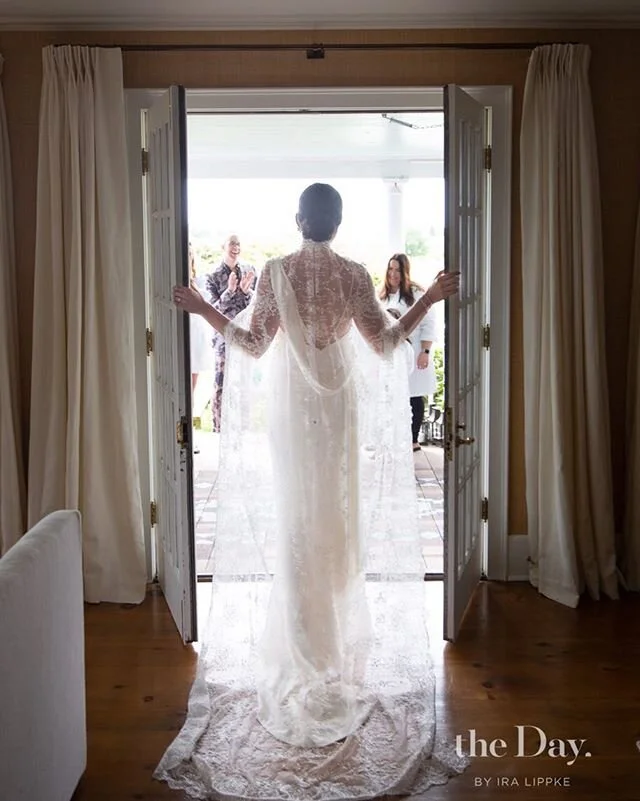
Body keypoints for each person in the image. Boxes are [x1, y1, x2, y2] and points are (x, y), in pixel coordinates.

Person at [155, 184, 463, 799]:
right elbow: (386, 343)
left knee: (298, 519)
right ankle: (333, 648)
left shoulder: (276, 272)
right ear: (338, 223)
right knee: (334, 521)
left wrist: (201, 309)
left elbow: (251, 344)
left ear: (298, 220)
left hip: (294, 414)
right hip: (339, 412)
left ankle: (305, 645)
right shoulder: (353, 274)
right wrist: (430, 296)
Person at [380, 252, 439, 451]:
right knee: (393, 395)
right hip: (391, 353)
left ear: (405, 272)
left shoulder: (417, 294)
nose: (393, 274)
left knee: (414, 395)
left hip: (414, 351)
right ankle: (395, 438)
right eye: (391, 269)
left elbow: (429, 324)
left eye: (398, 270)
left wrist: (425, 352)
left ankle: (413, 440)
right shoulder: (382, 295)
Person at [205, 234, 256, 431]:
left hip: (243, 334)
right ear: (224, 247)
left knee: (243, 382)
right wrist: (230, 291)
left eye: (238, 244)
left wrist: (245, 292)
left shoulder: (249, 271)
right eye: (232, 243)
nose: (236, 247)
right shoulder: (213, 276)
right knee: (221, 382)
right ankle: (218, 428)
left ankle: (243, 428)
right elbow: (212, 309)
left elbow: (253, 306)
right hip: (222, 336)